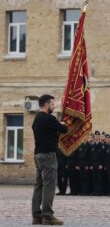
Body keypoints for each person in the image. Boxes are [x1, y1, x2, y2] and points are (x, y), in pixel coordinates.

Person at [31, 94, 67, 225]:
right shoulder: (48, 118)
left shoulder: (36, 119)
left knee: (38, 185)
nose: (54, 106)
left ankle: (36, 216)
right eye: (52, 104)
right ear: (46, 105)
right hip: (48, 156)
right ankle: (47, 216)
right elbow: (64, 129)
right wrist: (61, 123)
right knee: (49, 186)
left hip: (38, 155)